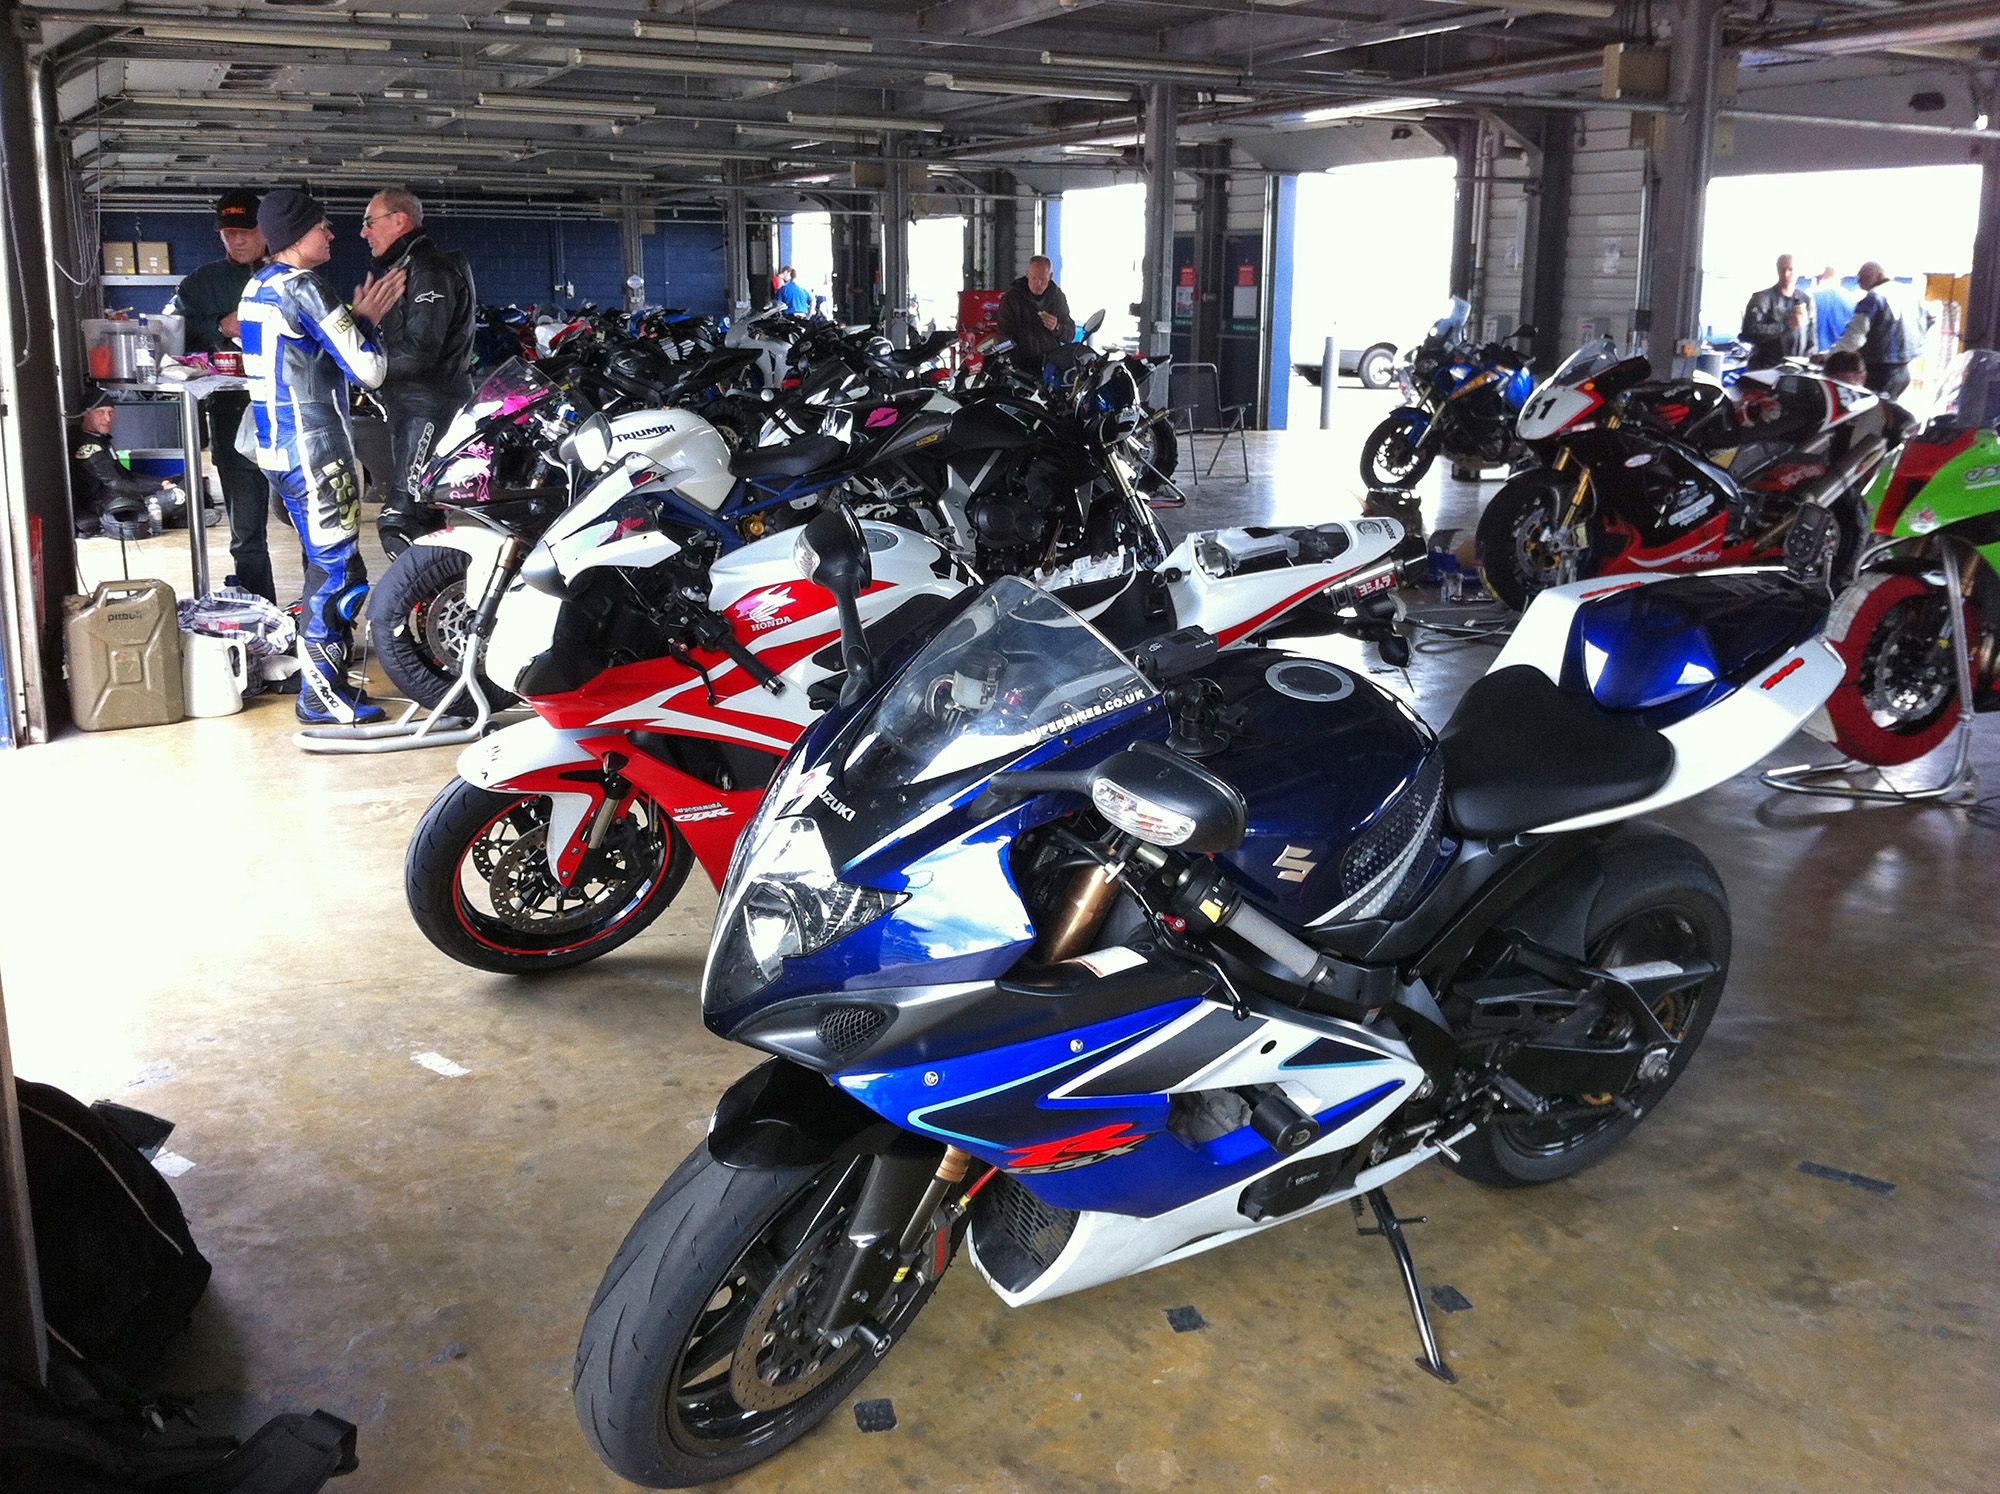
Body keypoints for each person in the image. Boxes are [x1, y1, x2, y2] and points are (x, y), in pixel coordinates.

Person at [238, 187, 406, 725]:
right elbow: (371, 370)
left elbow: (308, 356)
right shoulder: (305, 288)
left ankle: (321, 689)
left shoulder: (256, 286)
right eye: (323, 226)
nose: (333, 234)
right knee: (338, 572)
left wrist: (349, 322)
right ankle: (322, 697)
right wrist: (365, 322)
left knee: (324, 567)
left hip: (277, 451)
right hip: (317, 452)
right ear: (295, 235)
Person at [357, 187, 476, 558]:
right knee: (423, 515)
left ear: (400, 221)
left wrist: (361, 365)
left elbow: (421, 353)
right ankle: (435, 605)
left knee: (401, 520)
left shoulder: (430, 268)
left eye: (369, 223)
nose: (364, 233)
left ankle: (427, 603)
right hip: (413, 407)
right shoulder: (410, 268)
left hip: (428, 407)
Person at [166, 189, 274, 599]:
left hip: (289, 419)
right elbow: (174, 337)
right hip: (231, 420)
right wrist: (219, 328)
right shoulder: (201, 284)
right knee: (246, 536)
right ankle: (260, 615)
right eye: (229, 232)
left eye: (246, 231)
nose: (238, 240)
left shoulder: (287, 273)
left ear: (266, 230)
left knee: (312, 533)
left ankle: (315, 623)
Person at [68, 391, 185, 540]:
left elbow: (126, 474)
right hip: (108, 505)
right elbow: (116, 483)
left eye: (111, 412)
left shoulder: (100, 440)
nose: (107, 418)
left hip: (120, 496)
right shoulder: (86, 445)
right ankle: (179, 515)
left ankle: (179, 514)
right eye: (101, 412)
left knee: (182, 480)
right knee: (177, 496)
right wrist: (159, 488)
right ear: (86, 413)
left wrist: (162, 482)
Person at [1832, 262, 1923, 398]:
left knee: (1872, 413)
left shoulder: (1873, 299)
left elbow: (1853, 339)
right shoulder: (1909, 295)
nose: (1859, 281)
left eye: (1863, 275)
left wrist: (1829, 357)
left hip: (1878, 372)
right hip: (1904, 370)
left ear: (1879, 275)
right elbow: (1928, 319)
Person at [996, 254, 1075, 370]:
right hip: (1020, 366)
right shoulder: (1011, 298)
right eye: (1033, 278)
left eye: (1042, 279)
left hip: (1050, 364)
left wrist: (1056, 327)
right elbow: (1004, 334)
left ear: (1050, 276)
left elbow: (1070, 335)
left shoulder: (1057, 297)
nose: (1038, 283)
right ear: (1027, 274)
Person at [1739, 254, 1813, 371]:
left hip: (1796, 369)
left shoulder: (1806, 300)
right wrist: (1785, 326)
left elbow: (1811, 337)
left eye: (1790, 269)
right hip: (1766, 368)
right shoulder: (1762, 298)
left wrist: (1810, 363)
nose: (1786, 274)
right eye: (1782, 269)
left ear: (1798, 271)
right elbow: (1748, 332)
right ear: (1777, 270)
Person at [1812, 265, 1861, 353]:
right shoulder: (1851, 298)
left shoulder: (1809, 297)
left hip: (1816, 355)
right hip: (1842, 355)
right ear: (1841, 277)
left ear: (1820, 276)